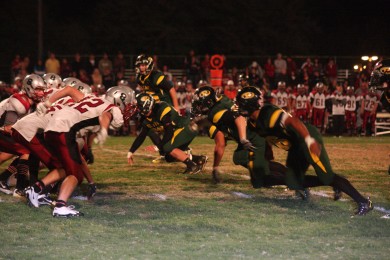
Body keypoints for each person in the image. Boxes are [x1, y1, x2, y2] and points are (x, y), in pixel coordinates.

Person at [235, 86, 373, 215]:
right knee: (293, 182)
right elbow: (267, 136)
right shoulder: (253, 122)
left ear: (250, 104)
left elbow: (293, 121)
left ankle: (363, 202)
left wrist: (309, 140)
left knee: (327, 176)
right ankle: (335, 181)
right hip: (295, 147)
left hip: (306, 139)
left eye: (241, 104)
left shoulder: (267, 113)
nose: (238, 107)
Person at [25, 86, 133, 217]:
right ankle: (60, 206)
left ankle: (35, 189)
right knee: (76, 174)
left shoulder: (90, 98)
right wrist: (104, 130)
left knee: (66, 167)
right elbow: (105, 115)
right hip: (65, 130)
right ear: (118, 101)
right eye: (127, 104)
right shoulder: (112, 107)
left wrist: (49, 102)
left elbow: (69, 89)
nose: (128, 109)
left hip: (51, 129)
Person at [191, 86, 287, 186]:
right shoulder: (221, 101)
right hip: (254, 130)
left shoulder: (214, 113)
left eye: (199, 104)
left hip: (252, 136)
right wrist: (199, 122)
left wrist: (243, 138)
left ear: (208, 102)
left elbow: (238, 117)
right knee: (239, 157)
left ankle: (293, 179)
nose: (198, 107)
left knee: (260, 170)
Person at [127, 93, 207, 174]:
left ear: (146, 105)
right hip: (178, 130)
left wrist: (158, 147)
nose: (137, 108)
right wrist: (131, 152)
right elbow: (142, 135)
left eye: (138, 106)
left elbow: (169, 131)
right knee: (169, 157)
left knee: (166, 147)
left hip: (186, 127)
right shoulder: (145, 118)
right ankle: (199, 159)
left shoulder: (161, 108)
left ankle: (192, 166)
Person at [0, 74, 47, 195]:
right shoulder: (19, 101)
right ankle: (18, 185)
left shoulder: (33, 102)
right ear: (28, 88)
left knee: (28, 149)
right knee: (26, 149)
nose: (41, 93)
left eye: (42, 89)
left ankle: (11, 181)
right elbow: (8, 128)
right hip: (3, 129)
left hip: (5, 130)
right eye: (37, 89)